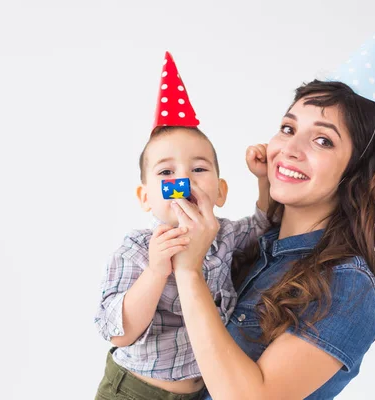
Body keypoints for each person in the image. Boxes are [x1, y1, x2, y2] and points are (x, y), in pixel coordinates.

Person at [169, 22, 375, 399]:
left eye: (323, 140)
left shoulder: (347, 285)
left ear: (356, 172)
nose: (291, 149)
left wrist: (188, 271)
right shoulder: (262, 249)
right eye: (287, 127)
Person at [93, 52, 270, 400]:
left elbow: (265, 225)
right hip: (133, 390)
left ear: (220, 192)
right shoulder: (137, 249)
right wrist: (157, 271)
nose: (183, 182)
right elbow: (119, 332)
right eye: (166, 173)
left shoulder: (227, 234)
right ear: (145, 197)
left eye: (198, 169)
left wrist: (263, 181)